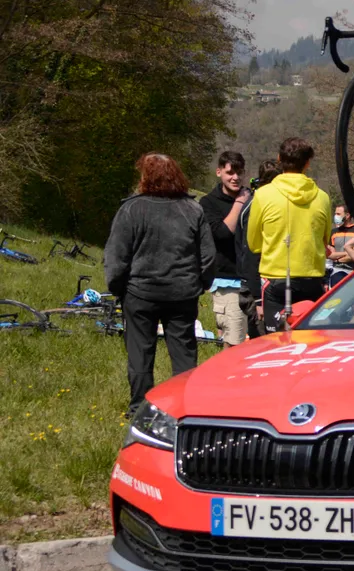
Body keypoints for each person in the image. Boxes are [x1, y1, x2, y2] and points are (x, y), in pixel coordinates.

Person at [104, 153, 215, 414]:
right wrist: (202, 284)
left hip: (140, 294)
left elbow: (116, 256)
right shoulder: (192, 209)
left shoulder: (131, 209)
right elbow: (208, 256)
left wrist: (117, 287)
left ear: (145, 177)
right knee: (184, 354)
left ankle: (139, 409)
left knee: (140, 354)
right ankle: (185, 408)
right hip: (182, 293)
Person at [247, 137, 333, 332]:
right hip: (312, 279)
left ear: (279, 159)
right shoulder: (323, 197)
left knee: (276, 344)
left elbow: (254, 244)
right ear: (308, 163)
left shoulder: (263, 195)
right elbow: (324, 239)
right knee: (310, 343)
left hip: (277, 278)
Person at [198, 151, 250, 346]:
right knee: (234, 341)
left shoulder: (252, 198)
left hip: (253, 280)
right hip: (227, 281)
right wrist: (239, 204)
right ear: (219, 172)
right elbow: (221, 233)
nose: (235, 178)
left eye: (239, 172)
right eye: (230, 172)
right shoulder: (208, 203)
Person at [235, 159, 282, 338]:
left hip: (270, 285)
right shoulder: (256, 206)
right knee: (263, 341)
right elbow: (250, 254)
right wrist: (258, 299)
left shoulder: (266, 204)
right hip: (258, 288)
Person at [328, 206, 354, 287]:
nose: (335, 216)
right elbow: (330, 255)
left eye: (338, 214)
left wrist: (337, 258)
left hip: (353, 271)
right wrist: (348, 253)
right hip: (336, 271)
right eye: (335, 214)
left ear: (347, 215)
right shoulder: (333, 233)